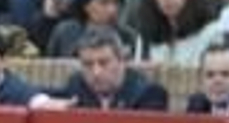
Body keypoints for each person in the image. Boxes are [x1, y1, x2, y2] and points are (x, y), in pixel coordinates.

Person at [30, 26, 168, 110]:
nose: (96, 72)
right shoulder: (76, 86)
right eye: (88, 64)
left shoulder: (149, 94)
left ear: (122, 61)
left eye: (104, 63)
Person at [183, 42, 229, 114]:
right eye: (210, 75)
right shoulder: (196, 107)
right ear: (200, 79)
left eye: (226, 74)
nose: (217, 81)